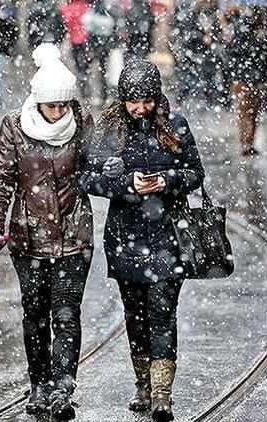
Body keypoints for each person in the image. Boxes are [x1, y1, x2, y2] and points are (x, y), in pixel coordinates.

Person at [81, 59, 205, 421]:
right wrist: (126, 185)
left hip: (169, 237)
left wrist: (166, 181)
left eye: (147, 100)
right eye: (133, 100)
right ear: (123, 99)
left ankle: (162, 394)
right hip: (125, 239)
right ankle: (143, 385)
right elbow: (89, 179)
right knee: (135, 317)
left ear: (156, 96)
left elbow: (195, 172)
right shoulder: (109, 131)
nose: (140, 108)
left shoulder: (176, 126)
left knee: (163, 314)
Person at [0, 43, 94, 420]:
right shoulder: (15, 126)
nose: (58, 112)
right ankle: (39, 383)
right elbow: (2, 182)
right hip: (28, 240)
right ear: (37, 101)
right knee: (35, 314)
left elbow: (98, 167)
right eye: (52, 106)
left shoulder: (82, 123)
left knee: (66, 313)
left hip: (74, 237)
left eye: (63, 105)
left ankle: (63, 386)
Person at [226, 7, 267, 156]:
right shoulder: (245, 31)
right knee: (247, 114)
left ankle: (248, 143)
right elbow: (240, 53)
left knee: (252, 114)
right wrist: (260, 41)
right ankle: (246, 144)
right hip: (247, 80)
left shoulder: (259, 31)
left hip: (254, 79)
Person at [61, 0, 91, 99]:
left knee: (79, 67)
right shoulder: (85, 7)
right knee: (85, 67)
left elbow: (66, 23)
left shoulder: (68, 9)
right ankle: (86, 90)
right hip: (86, 40)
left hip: (75, 41)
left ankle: (84, 91)